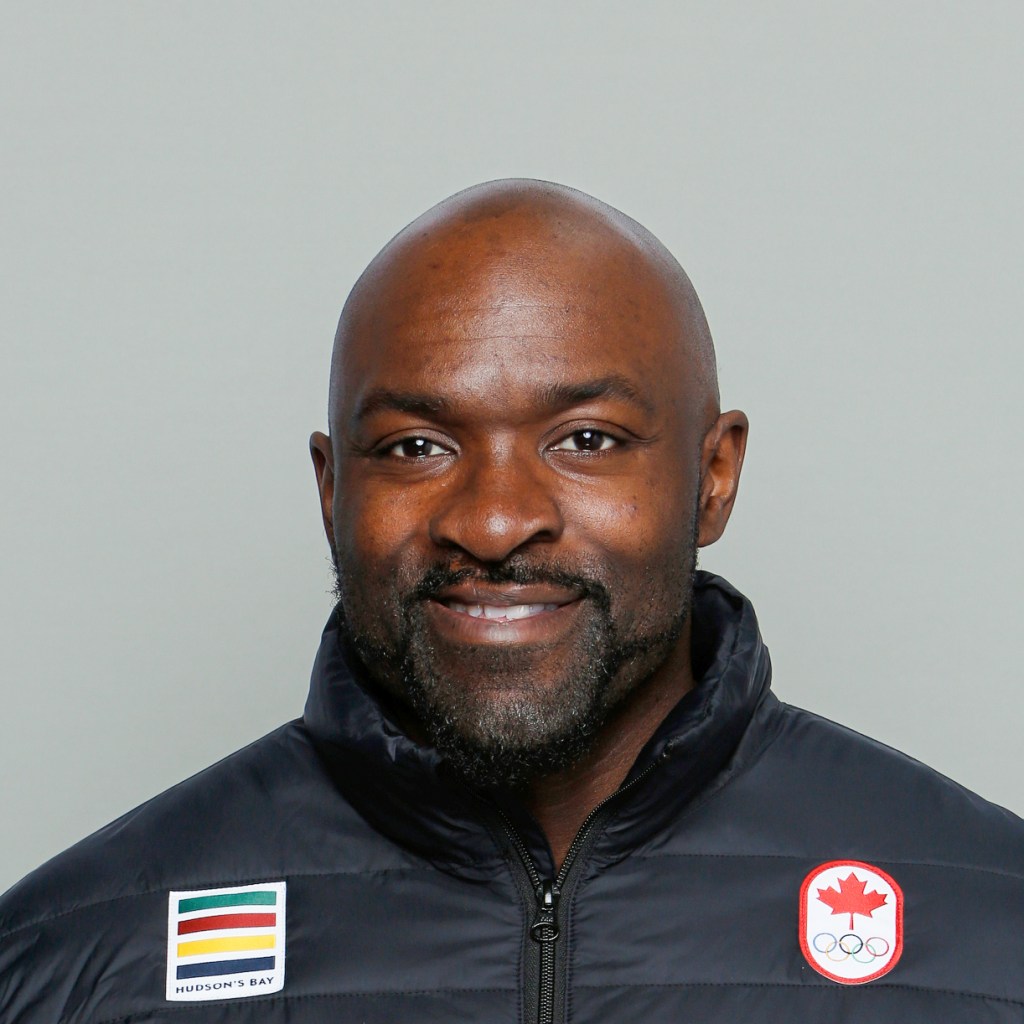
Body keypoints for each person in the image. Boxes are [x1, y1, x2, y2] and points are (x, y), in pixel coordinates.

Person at [1, 180, 1022, 1023]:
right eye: (416, 446)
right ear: (331, 489)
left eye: (586, 440)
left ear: (713, 478)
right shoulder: (71, 958)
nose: (493, 521)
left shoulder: (991, 927)